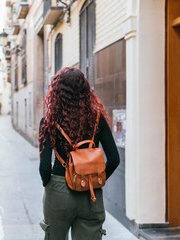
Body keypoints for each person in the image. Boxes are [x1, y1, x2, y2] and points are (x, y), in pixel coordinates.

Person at [38, 67, 120, 240]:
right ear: (85, 90)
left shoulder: (49, 121)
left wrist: (51, 185)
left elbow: (44, 167)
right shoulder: (98, 119)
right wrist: (97, 179)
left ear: (56, 91)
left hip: (59, 190)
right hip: (90, 191)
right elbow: (114, 159)